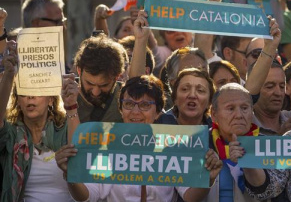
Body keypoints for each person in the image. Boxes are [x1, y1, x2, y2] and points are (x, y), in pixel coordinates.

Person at [55, 75, 223, 202]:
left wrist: (208, 179)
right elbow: (87, 195)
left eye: (144, 105)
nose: (135, 112)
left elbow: (190, 196)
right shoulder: (105, 147)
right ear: (121, 109)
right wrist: (71, 176)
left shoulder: (173, 146)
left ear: (158, 112)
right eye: (129, 104)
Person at [0, 41, 80, 202]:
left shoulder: (65, 128)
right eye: (24, 93)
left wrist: (71, 106)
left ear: (51, 99)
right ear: (18, 101)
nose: (30, 97)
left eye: (37, 91)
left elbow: (78, 157)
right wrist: (9, 74)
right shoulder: (12, 135)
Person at [206, 83, 263, 201]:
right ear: (214, 114)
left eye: (244, 108)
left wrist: (247, 162)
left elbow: (268, 191)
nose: (239, 115)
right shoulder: (201, 144)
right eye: (230, 108)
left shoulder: (264, 144)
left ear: (252, 112)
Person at [73, 34, 127, 122]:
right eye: (89, 83)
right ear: (79, 71)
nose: (96, 92)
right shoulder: (62, 97)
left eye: (104, 85)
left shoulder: (125, 98)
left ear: (117, 76)